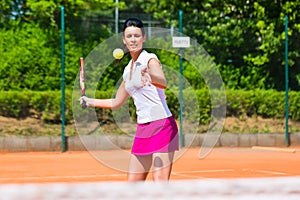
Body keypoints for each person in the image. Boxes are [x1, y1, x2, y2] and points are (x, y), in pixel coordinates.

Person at [80, 18, 179, 182]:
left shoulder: (150, 59)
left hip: (162, 125)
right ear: (124, 40)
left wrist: (151, 76)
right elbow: (116, 102)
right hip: (143, 129)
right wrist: (89, 101)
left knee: (160, 184)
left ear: (144, 38)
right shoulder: (128, 70)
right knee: (133, 186)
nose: (133, 39)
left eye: (137, 35)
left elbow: (162, 81)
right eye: (129, 36)